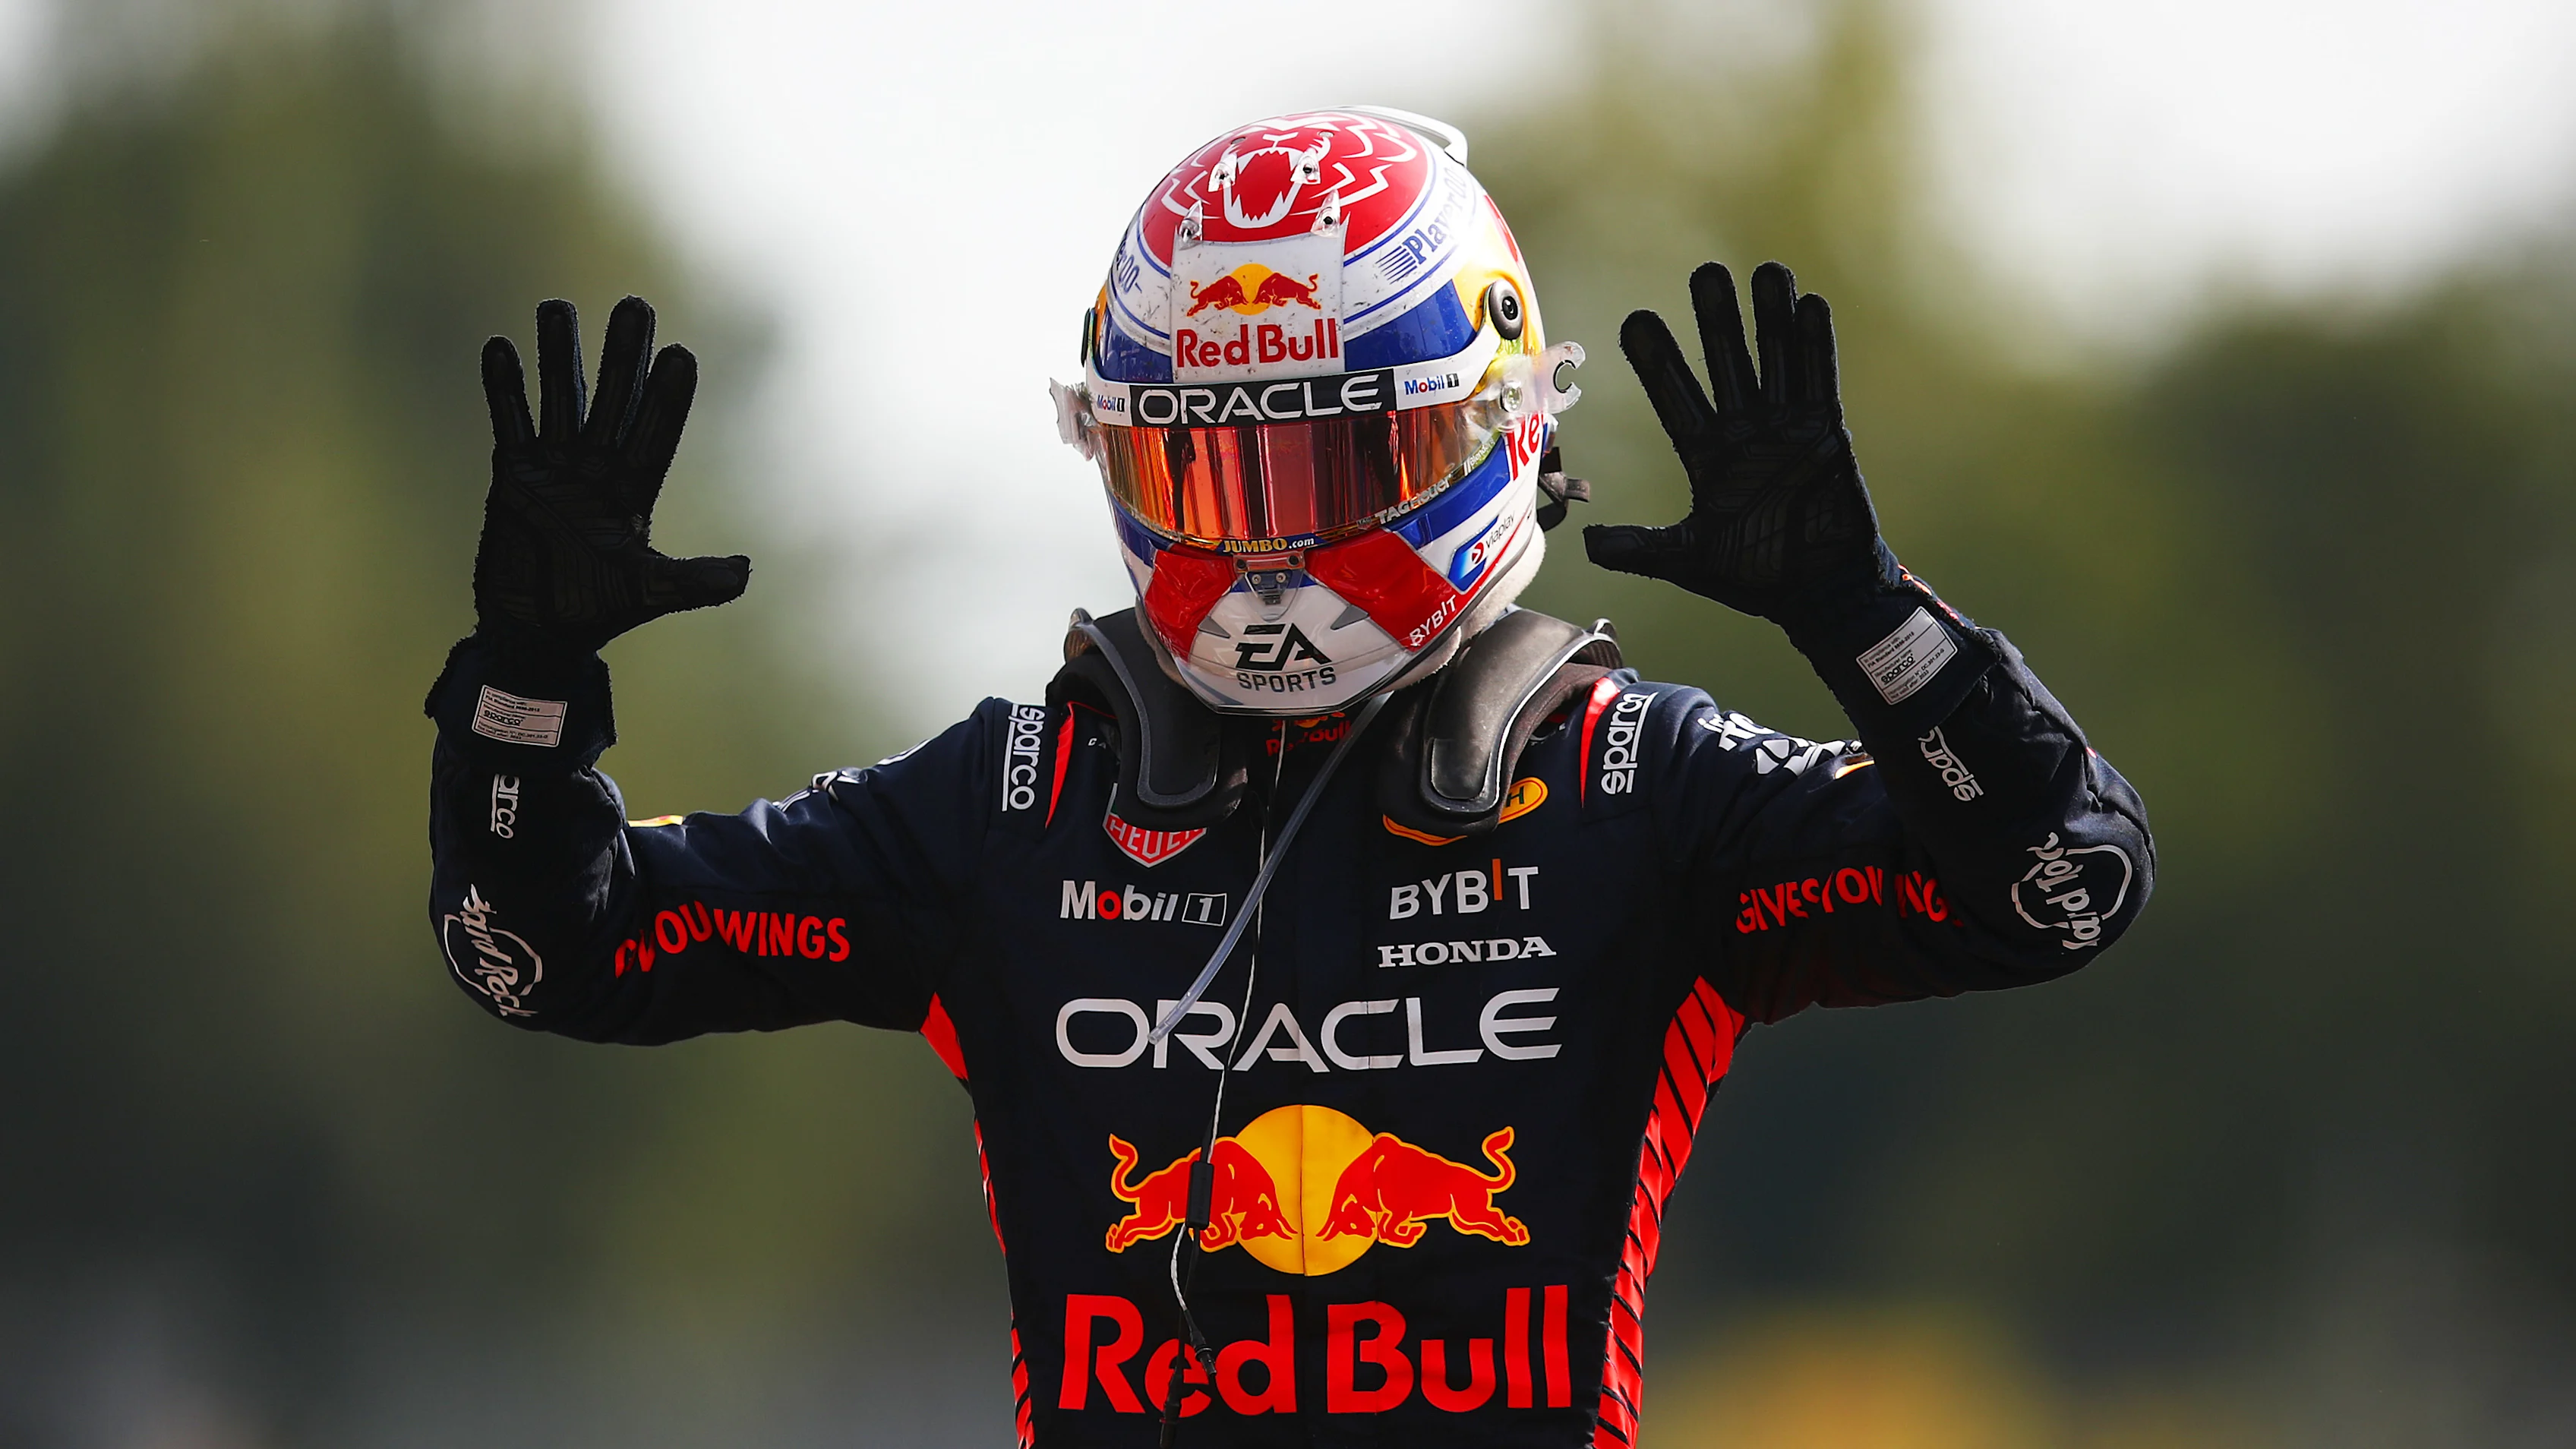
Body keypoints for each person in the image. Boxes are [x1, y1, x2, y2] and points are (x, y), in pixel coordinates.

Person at [426, 109, 2151, 1448]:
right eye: (1208, 466)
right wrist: (523, 684)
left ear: (1492, 431)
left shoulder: (1638, 787)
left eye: (1337, 457)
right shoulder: (1015, 805)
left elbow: (2058, 885)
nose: (1265, 535)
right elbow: (551, 952)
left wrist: (1864, 618)